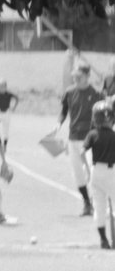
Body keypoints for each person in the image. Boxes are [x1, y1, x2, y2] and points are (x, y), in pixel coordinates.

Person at [57, 61, 102, 217]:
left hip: (89, 140)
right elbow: (64, 110)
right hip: (72, 138)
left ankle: (98, 203)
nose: (75, 78)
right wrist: (58, 124)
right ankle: (87, 203)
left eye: (79, 76)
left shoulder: (96, 94)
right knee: (77, 173)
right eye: (74, 75)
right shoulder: (69, 92)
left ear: (87, 76)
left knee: (92, 172)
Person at [88, 102, 115, 251]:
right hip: (111, 172)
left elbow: (82, 152)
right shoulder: (113, 134)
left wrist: (87, 169)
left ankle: (103, 240)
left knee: (99, 207)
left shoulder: (92, 134)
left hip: (95, 172)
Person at [0, 78, 19, 152]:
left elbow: (17, 98)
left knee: (6, 130)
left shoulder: (9, 94)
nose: (1, 88)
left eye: (2, 86)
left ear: (6, 87)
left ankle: (4, 146)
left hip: (6, 113)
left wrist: (14, 108)